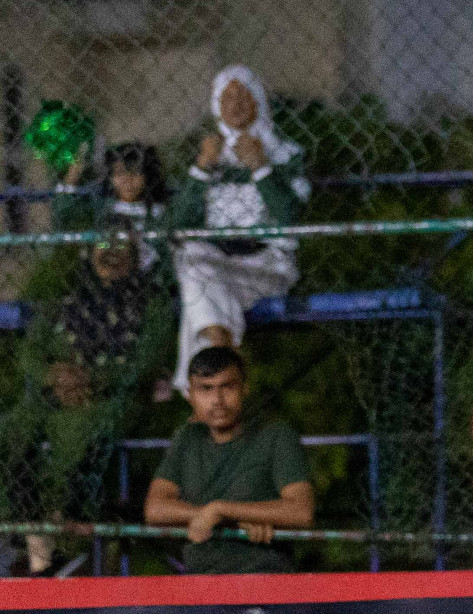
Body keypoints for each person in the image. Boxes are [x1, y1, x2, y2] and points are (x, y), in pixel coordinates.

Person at [8, 222, 172, 576]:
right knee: (10, 431)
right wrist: (54, 375)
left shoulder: (151, 301)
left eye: (120, 246)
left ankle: (60, 537)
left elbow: (145, 362)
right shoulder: (67, 295)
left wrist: (91, 380)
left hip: (111, 398)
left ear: (134, 255)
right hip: (55, 392)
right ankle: (33, 529)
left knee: (81, 435)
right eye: (102, 244)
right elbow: (29, 350)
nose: (110, 253)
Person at [170, 65, 309, 394]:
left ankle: (205, 393)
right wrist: (202, 167)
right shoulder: (210, 153)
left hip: (264, 265)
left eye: (242, 95)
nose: (234, 105)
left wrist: (261, 167)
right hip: (216, 263)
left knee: (197, 290)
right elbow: (179, 223)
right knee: (191, 260)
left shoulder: (284, 153)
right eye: (225, 97)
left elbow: (290, 217)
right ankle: (226, 369)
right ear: (215, 104)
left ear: (258, 100)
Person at [144, 347, 314, 574]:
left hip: (266, 578)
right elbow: (155, 509)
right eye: (206, 389)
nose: (217, 400)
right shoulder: (187, 438)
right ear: (190, 395)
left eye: (227, 387)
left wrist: (221, 509)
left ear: (244, 388)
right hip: (200, 582)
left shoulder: (277, 436)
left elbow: (301, 511)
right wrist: (216, 516)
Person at [52, 142, 168, 273]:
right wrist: (74, 172)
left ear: (147, 176)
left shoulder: (160, 211)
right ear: (111, 177)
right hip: (109, 273)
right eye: (119, 174)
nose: (127, 180)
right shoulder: (104, 206)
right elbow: (63, 213)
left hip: (149, 275)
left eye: (135, 172)